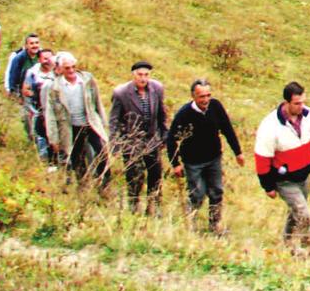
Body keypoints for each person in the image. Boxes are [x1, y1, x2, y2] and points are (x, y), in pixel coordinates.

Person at [254, 81, 310, 253]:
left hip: (304, 175)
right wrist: (267, 186)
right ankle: (309, 246)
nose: (302, 106)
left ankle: (287, 242)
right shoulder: (270, 126)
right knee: (302, 212)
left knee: (296, 211)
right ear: (287, 102)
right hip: (284, 180)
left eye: (303, 102)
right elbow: (262, 157)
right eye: (297, 103)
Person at [167, 79, 244, 234]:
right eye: (202, 96)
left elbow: (227, 129)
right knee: (197, 194)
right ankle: (190, 225)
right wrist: (175, 163)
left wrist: (238, 152)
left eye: (208, 95)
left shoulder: (216, 106)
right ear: (193, 96)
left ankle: (215, 225)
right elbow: (171, 139)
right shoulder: (184, 114)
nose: (206, 100)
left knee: (217, 192)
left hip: (214, 158)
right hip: (193, 162)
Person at [45, 52, 112, 192]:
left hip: (90, 124)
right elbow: (50, 115)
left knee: (102, 153)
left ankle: (104, 185)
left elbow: (97, 101)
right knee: (77, 159)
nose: (71, 71)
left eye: (73, 67)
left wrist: (103, 123)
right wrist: (54, 138)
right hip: (71, 128)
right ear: (61, 69)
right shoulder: (55, 88)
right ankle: (83, 187)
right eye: (67, 68)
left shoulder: (87, 80)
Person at [109, 61, 168, 216]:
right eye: (140, 75)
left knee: (155, 174)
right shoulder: (121, 93)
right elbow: (114, 120)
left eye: (146, 75)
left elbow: (162, 114)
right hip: (131, 141)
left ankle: (154, 207)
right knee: (134, 176)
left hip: (152, 140)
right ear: (133, 75)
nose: (143, 78)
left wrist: (165, 135)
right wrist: (115, 144)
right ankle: (134, 207)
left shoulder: (157, 89)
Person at [22, 48, 57, 166]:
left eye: (50, 58)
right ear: (39, 59)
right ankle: (44, 159)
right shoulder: (33, 72)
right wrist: (38, 95)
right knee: (42, 134)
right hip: (39, 108)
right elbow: (25, 90)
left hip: (56, 109)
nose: (48, 61)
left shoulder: (58, 72)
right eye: (45, 58)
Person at [4, 33, 42, 142]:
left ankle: (41, 137)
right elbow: (13, 76)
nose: (35, 46)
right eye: (31, 43)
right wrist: (14, 93)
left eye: (36, 43)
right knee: (27, 116)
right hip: (24, 92)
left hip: (39, 91)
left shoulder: (41, 56)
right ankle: (31, 137)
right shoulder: (19, 59)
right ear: (26, 46)